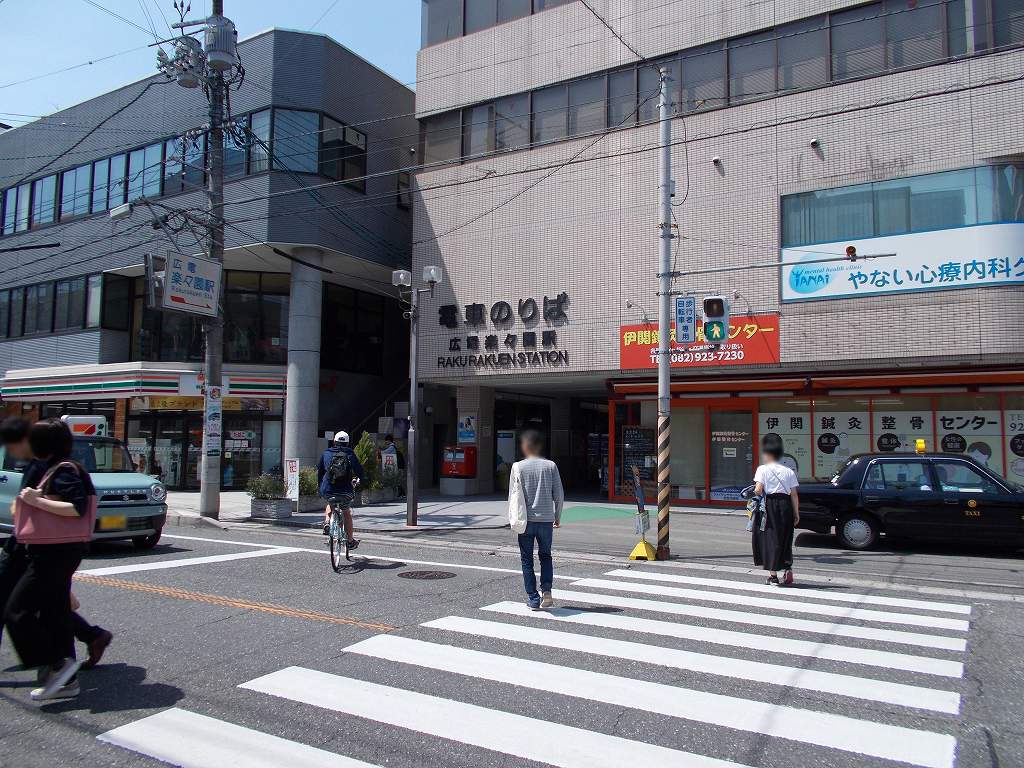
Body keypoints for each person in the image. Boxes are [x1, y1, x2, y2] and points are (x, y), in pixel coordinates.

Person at [0, 418, 112, 675]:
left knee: (21, 608)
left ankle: (59, 665)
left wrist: (34, 501)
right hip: (35, 543)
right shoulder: (44, 464)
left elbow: (75, 507)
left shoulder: (59, 468)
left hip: (41, 545)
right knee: (50, 604)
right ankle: (76, 652)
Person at [511, 429, 564, 610]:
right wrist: (557, 517)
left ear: (525, 446)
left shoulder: (518, 467)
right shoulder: (551, 466)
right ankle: (547, 592)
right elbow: (559, 494)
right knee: (545, 556)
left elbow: (513, 496)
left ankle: (533, 598)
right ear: (539, 446)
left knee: (527, 559)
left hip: (525, 521)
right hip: (546, 520)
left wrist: (512, 518)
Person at [752, 436, 800, 586]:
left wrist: (753, 492)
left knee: (770, 539)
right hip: (786, 506)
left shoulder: (762, 469)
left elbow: (758, 490)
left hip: (770, 505)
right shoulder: (788, 471)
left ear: (767, 454)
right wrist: (796, 513)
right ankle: (788, 568)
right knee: (786, 538)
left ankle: (773, 576)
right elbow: (794, 494)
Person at [317, 430, 365, 550]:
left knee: (330, 503)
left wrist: (320, 487)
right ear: (348, 443)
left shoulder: (326, 453)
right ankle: (349, 541)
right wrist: (361, 479)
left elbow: (320, 472)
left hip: (328, 489)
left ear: (334, 441)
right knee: (346, 512)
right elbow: (359, 471)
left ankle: (327, 521)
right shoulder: (350, 454)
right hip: (345, 491)